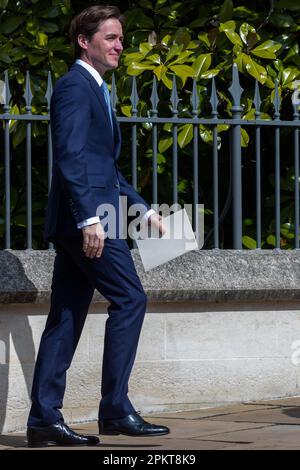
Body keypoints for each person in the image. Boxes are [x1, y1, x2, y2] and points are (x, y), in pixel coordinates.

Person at [26, 5, 169, 447]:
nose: (120, 45)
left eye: (121, 38)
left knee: (66, 317)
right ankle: (115, 409)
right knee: (130, 298)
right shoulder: (73, 87)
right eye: (111, 37)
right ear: (84, 42)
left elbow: (103, 167)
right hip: (89, 224)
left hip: (91, 219)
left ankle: (43, 421)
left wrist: (142, 209)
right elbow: (69, 157)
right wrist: (90, 218)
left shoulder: (99, 90)